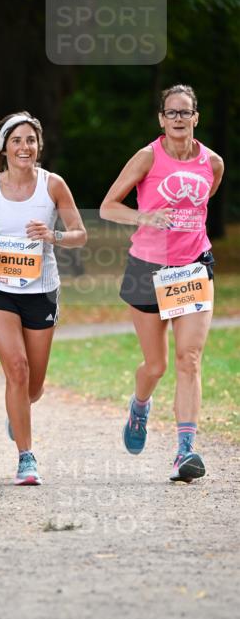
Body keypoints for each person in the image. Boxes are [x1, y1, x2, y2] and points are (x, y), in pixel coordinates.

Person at [0, 111, 87, 485]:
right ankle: (26, 458)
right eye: (17, 141)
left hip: (42, 290)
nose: (25, 147)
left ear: (39, 145)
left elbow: (79, 233)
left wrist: (53, 236)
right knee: (17, 369)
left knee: (34, 386)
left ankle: (19, 411)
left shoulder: (53, 185)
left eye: (31, 140)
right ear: (4, 148)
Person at [100, 84, 224, 483]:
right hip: (147, 269)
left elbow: (201, 209)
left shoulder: (212, 163)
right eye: (170, 113)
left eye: (184, 112)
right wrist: (144, 217)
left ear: (196, 118)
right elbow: (108, 206)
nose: (177, 119)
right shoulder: (147, 157)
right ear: (160, 118)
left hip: (192, 269)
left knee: (189, 359)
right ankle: (140, 406)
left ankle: (185, 451)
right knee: (156, 365)